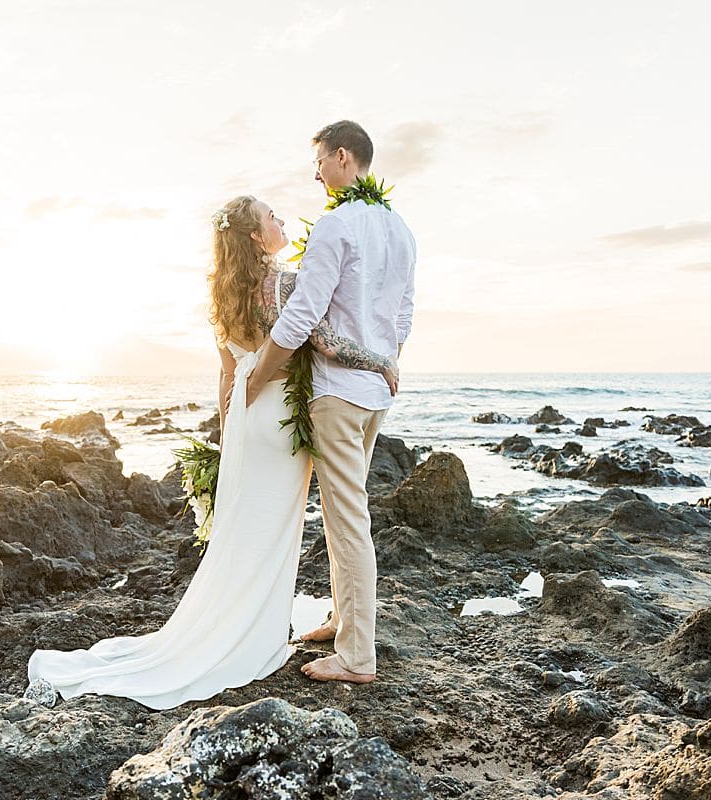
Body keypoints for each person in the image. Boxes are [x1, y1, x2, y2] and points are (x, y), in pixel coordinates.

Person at [25, 194, 396, 710]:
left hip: (246, 417)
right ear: (254, 235)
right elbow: (325, 341)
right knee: (275, 529)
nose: (282, 220)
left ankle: (242, 621)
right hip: (281, 414)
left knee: (245, 526)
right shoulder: (283, 283)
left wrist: (229, 438)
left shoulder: (221, 296)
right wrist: (381, 361)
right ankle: (258, 633)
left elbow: (227, 375)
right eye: (272, 217)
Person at [246, 120, 417, 685]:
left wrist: (254, 381)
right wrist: (386, 360)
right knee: (350, 511)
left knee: (347, 522)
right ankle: (343, 620)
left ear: (343, 157)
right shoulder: (401, 229)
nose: (315, 172)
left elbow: (301, 316)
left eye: (319, 160)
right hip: (375, 396)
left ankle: (357, 657)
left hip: (338, 394)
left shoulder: (335, 226)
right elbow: (403, 317)